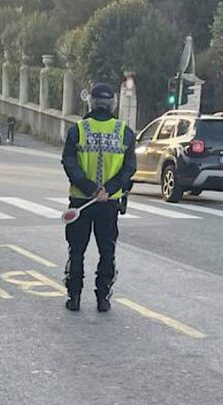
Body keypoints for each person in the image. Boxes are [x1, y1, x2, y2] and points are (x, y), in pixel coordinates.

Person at [61, 83, 137, 312]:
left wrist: (90, 188)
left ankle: (74, 297)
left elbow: (69, 163)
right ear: (112, 103)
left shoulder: (78, 130)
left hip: (81, 202)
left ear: (91, 102)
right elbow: (129, 168)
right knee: (107, 250)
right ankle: (103, 298)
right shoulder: (124, 132)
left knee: (76, 250)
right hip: (109, 202)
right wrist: (108, 189)